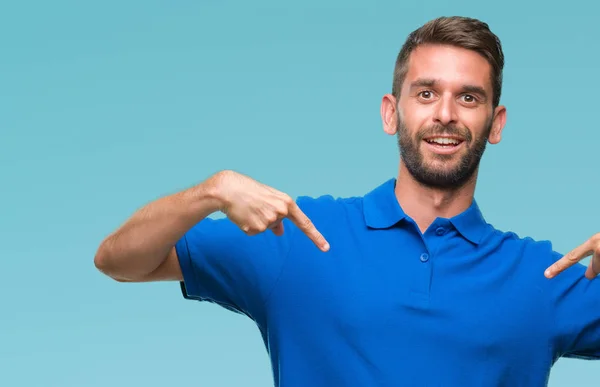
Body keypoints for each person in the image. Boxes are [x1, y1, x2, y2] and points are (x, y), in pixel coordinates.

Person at [94, 16, 600, 387]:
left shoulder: (543, 278)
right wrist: (210, 191)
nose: (446, 114)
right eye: (426, 94)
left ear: (496, 123)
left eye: (469, 97)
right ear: (390, 112)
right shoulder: (299, 236)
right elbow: (119, 260)